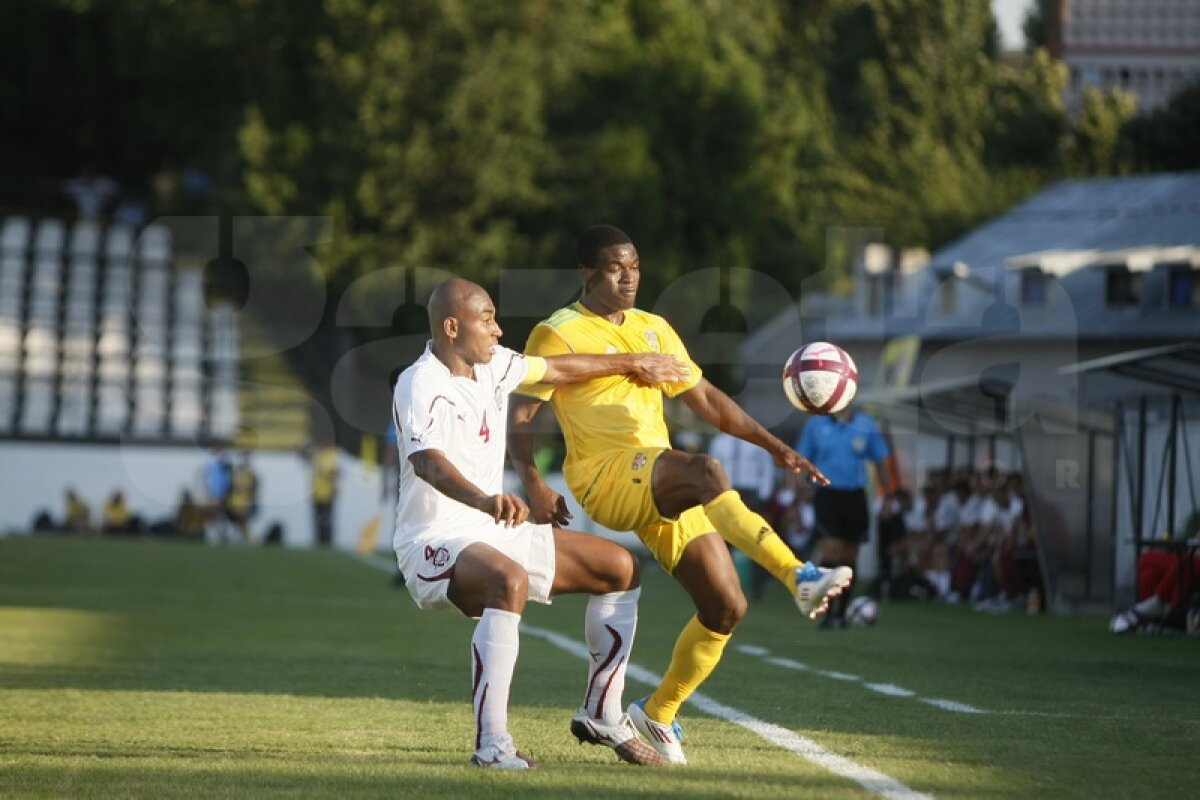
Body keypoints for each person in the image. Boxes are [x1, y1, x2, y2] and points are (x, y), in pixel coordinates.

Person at [509, 225, 849, 765]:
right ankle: (798, 576)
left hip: (661, 479)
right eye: (616, 268)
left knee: (726, 606)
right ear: (586, 274)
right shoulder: (559, 332)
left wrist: (773, 445)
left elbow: (708, 399)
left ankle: (659, 713)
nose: (629, 277)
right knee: (707, 470)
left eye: (636, 266)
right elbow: (521, 411)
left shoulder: (654, 329)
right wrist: (532, 480)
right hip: (607, 476)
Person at [393, 277, 688, 769]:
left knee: (619, 567)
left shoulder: (493, 367)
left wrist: (634, 362)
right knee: (508, 579)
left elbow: (559, 367)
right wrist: (487, 500)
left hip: (492, 529)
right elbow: (428, 464)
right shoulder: (419, 381)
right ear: (451, 327)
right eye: (485, 319)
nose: (497, 328)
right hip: (432, 541)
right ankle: (492, 745)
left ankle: (603, 712)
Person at [795, 401, 891, 628]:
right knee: (831, 551)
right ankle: (826, 610)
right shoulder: (816, 424)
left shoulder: (866, 424)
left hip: (856, 496)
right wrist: (800, 490)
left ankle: (841, 613)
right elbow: (802, 459)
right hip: (827, 496)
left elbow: (881, 461)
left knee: (850, 556)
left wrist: (887, 497)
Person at [708, 431, 777, 599]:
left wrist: (764, 494)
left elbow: (766, 467)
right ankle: (724, 584)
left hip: (751, 491)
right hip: (727, 490)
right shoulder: (719, 441)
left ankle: (757, 585)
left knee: (755, 538)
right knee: (724, 539)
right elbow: (712, 467)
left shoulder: (756, 441)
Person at [310, 437, 340, 546]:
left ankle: (328, 542)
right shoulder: (316, 455)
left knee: (327, 520)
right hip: (316, 493)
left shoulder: (332, 455)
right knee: (317, 520)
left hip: (328, 493)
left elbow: (335, 472)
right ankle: (318, 542)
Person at [227, 452, 259, 542]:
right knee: (240, 512)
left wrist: (249, 502)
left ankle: (245, 535)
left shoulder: (252, 476)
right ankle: (247, 535)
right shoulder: (234, 474)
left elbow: (253, 493)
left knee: (243, 512)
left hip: (247, 504)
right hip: (233, 504)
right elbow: (231, 491)